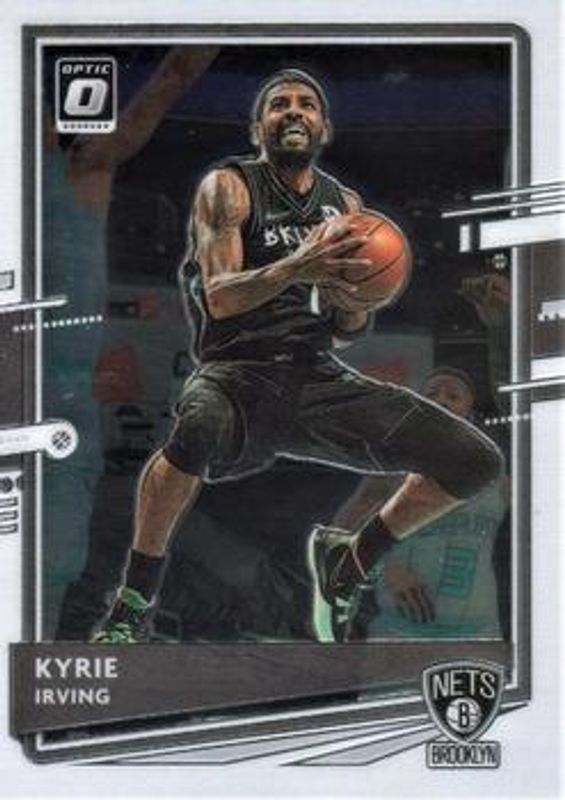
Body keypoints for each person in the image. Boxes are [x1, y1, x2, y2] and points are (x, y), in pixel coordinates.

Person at [93, 68, 504, 644]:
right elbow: (220, 296)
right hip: (236, 372)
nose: (293, 111)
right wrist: (298, 267)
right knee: (198, 426)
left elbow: (345, 331)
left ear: (323, 128)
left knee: (476, 461)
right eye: (279, 103)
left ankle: (350, 562)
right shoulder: (229, 186)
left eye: (306, 104)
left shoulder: (345, 206)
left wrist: (354, 300)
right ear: (258, 128)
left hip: (315, 377)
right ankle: (134, 600)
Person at [44, 46, 218, 638]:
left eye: (42, 110)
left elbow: (170, 79)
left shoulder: (84, 171)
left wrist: (212, 27)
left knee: (53, 569)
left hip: (62, 408)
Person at [325, 366, 508, 642]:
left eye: (453, 396)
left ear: (470, 412)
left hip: (479, 635)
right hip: (397, 634)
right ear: (418, 407)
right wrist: (384, 571)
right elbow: (339, 540)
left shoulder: (498, 480)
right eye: (431, 394)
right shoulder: (391, 473)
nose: (441, 400)